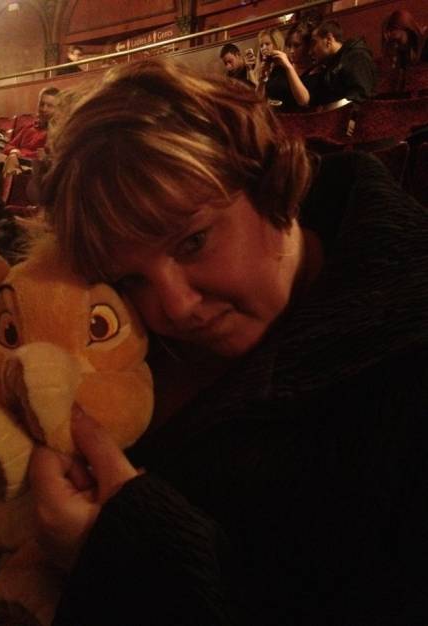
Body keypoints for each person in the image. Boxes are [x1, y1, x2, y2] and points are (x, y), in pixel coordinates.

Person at [32, 58, 428, 626]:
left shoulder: (410, 366)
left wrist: (122, 552)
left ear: (267, 178)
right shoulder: (122, 344)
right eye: (132, 279)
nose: (173, 307)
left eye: (193, 242)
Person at [305, 19, 377, 106]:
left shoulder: (356, 57)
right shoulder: (331, 63)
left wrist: (330, 110)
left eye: (314, 43)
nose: (310, 52)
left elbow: (360, 97)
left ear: (328, 39)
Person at [0, 86, 60, 176]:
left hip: (33, 167)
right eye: (41, 104)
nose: (44, 109)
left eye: (50, 106)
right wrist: (14, 152)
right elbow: (9, 145)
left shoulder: (58, 131)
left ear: (58, 108)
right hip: (17, 161)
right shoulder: (29, 127)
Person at [265, 20, 319, 110]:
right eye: (289, 46)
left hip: (299, 117)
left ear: (308, 46)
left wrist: (289, 67)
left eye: (297, 46)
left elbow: (303, 101)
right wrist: (262, 78)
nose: (291, 51)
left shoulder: (316, 70)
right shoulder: (279, 68)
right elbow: (261, 98)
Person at [247, 27, 285, 94]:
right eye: (261, 46)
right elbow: (257, 93)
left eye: (267, 44)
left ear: (277, 44)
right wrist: (249, 69)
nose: (263, 48)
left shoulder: (284, 65)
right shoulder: (261, 66)